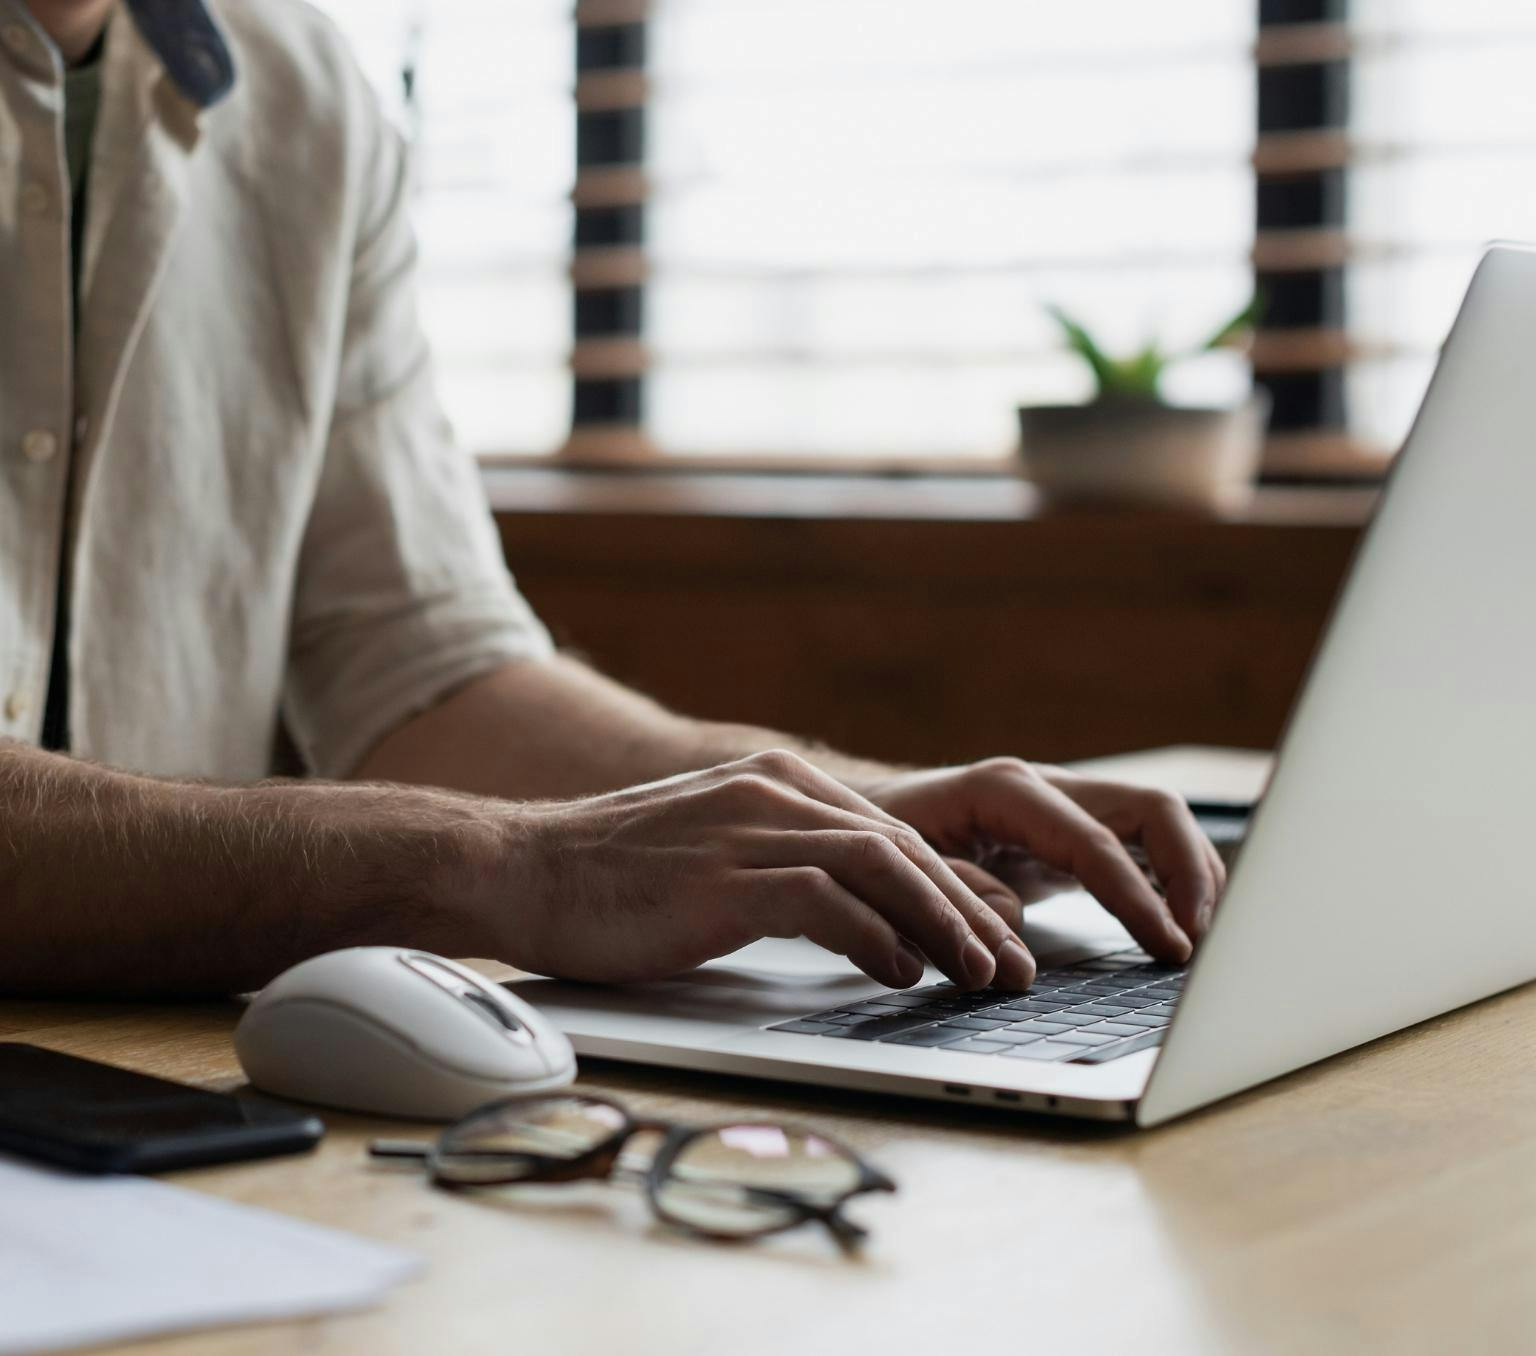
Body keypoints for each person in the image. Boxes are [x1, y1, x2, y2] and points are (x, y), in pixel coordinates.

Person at [0, 0, 1224, 998]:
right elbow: (491, 816)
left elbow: (417, 660)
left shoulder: (304, 91)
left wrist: (852, 814)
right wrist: (505, 867)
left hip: (146, 1101)